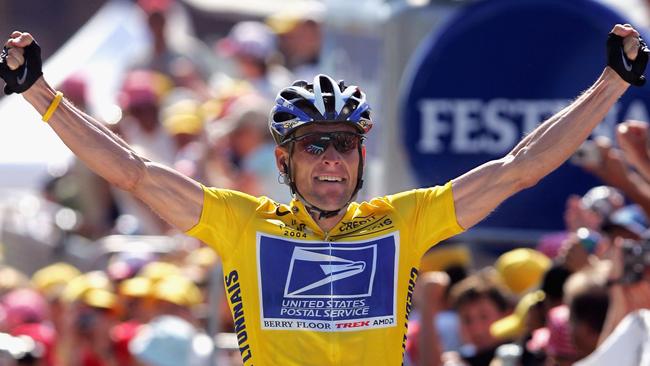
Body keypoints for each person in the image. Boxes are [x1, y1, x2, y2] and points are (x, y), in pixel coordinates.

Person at [0, 23, 647, 365]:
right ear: (282, 159)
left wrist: (614, 83)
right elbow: (134, 173)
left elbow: (518, 168)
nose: (332, 158)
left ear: (361, 156)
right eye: (315, 144)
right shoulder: (241, 221)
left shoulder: (403, 220)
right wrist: (37, 92)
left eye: (344, 143)